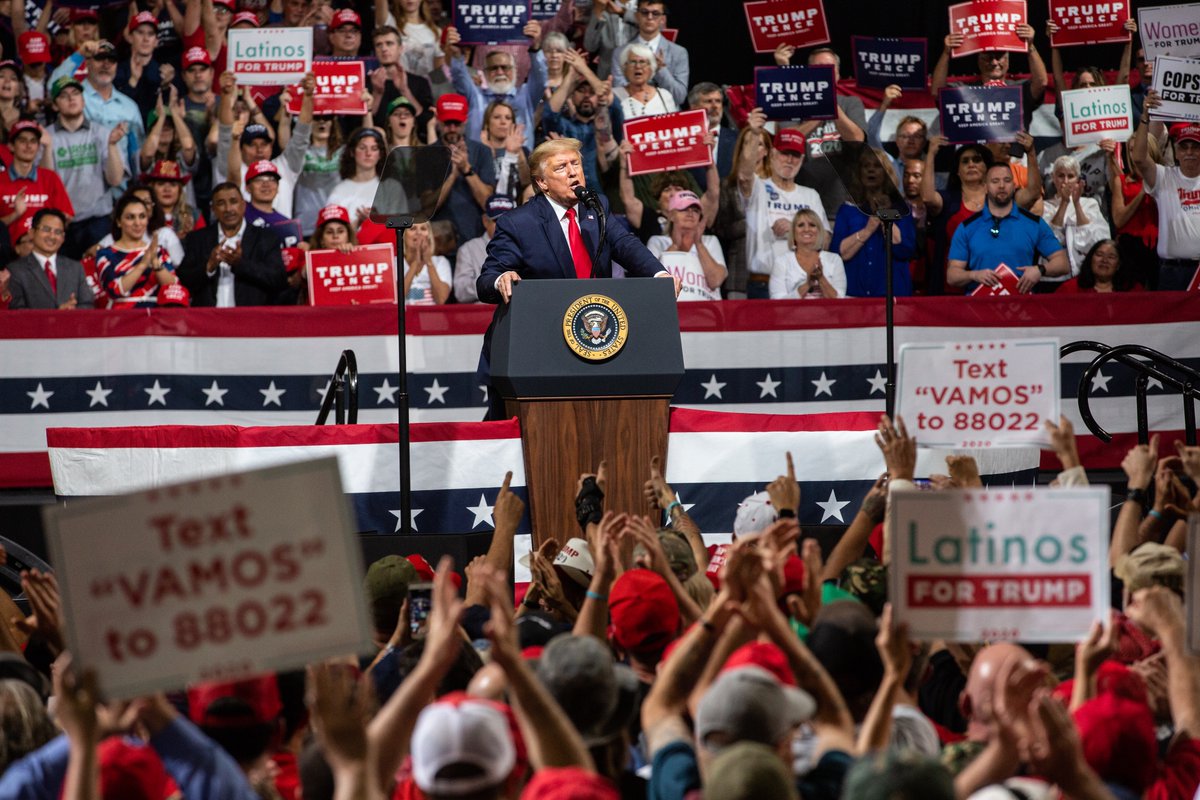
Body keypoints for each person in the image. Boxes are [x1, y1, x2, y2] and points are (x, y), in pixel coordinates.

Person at [738, 116, 829, 299]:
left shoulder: (810, 195)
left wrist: (796, 230)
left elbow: (825, 240)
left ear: (802, 159)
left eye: (795, 155)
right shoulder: (759, 187)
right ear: (772, 155)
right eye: (784, 153)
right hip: (763, 281)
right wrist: (754, 133)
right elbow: (744, 175)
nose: (789, 160)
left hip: (803, 281)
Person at [773, 45, 868, 220]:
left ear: (838, 75)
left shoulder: (851, 103)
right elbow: (787, 143)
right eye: (818, 68)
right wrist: (819, 111)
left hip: (842, 207)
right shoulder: (795, 105)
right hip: (801, 208)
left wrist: (829, 103)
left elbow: (857, 139)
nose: (824, 72)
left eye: (829, 68)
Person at [946, 162, 1068, 294]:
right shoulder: (967, 227)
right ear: (985, 187)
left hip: (1022, 307)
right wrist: (974, 275)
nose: (1002, 186)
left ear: (1014, 186)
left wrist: (1040, 270)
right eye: (995, 181)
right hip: (979, 307)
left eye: (1007, 180)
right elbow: (952, 275)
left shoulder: (1034, 224)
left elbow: (1062, 263)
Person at [46, 75, 127, 259]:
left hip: (98, 221)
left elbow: (115, 180)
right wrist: (46, 148)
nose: (71, 98)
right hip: (62, 224)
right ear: (55, 105)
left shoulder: (103, 133)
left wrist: (112, 145)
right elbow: (46, 182)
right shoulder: (46, 137)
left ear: (83, 101)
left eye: (75, 93)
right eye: (63, 95)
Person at [216, 70, 313, 220]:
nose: (259, 149)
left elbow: (302, 134)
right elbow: (224, 133)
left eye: (264, 144)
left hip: (283, 240)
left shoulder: (285, 167)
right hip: (246, 241)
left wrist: (307, 97)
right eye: (252, 145)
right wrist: (225, 95)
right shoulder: (233, 168)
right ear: (241, 148)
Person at [177, 181, 287, 307]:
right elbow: (184, 279)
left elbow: (278, 280)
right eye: (221, 203)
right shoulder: (198, 239)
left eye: (233, 201)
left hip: (249, 320)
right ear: (213, 209)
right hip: (207, 321)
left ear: (243, 205)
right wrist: (208, 266)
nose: (228, 209)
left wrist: (241, 264)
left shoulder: (266, 238)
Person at [445, 20, 546, 152]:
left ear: (514, 70)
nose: (499, 72)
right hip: (480, 167)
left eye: (505, 67)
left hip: (519, 166)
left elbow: (540, 77)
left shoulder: (526, 95)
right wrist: (457, 54)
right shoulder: (476, 97)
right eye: (493, 68)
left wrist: (536, 48)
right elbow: (459, 77)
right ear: (485, 72)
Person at [1132, 97, 1200, 290]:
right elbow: (1138, 158)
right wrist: (1145, 116)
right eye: (1184, 147)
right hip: (1172, 273)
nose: (1189, 152)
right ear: (1176, 152)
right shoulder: (1164, 177)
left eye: (1195, 147)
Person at [49, 40, 144, 177]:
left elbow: (136, 155)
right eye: (99, 58)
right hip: (81, 183)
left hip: (121, 188)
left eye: (111, 60)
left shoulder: (130, 107)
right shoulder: (75, 98)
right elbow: (53, 86)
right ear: (87, 63)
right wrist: (79, 54)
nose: (106, 64)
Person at [930, 23, 1047, 131]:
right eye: (988, 57)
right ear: (978, 61)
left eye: (1000, 56)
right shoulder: (965, 90)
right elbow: (937, 92)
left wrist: (1030, 46)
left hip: (1013, 152)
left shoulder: (1019, 89)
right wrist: (946, 53)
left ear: (1008, 59)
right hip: (976, 152)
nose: (994, 62)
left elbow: (1041, 82)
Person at [833, 147, 916, 298]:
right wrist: (867, 231)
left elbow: (905, 249)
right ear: (859, 173)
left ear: (886, 173)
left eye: (877, 166)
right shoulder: (848, 209)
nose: (871, 170)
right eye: (866, 166)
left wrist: (885, 216)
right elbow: (839, 254)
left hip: (892, 294)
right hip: (854, 293)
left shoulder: (902, 208)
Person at [429, 93, 496, 247]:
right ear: (438, 121)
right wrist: (453, 174)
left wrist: (466, 169)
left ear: (465, 121)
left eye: (456, 123)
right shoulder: (426, 155)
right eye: (447, 123)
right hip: (439, 243)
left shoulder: (482, 152)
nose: (452, 129)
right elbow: (427, 207)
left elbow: (487, 202)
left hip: (475, 240)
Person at [97, 193, 179, 308]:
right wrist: (143, 265)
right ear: (119, 222)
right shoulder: (106, 254)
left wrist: (156, 263)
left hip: (155, 317)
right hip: (121, 318)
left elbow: (173, 287)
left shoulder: (158, 251)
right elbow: (113, 290)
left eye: (142, 216)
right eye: (130, 217)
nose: (137, 223)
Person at [1040, 154, 1111, 286]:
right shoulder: (1044, 207)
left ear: (1078, 180)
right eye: (1061, 176)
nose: (1065, 181)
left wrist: (1077, 204)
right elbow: (1050, 240)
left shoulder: (1090, 204)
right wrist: (1064, 203)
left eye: (1070, 176)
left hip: (1081, 275)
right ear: (1053, 179)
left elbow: (1095, 243)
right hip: (1052, 279)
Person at [600, 0, 688, 105]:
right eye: (645, 12)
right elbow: (619, 94)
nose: (650, 17)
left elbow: (679, 97)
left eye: (655, 13)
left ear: (662, 19)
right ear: (637, 16)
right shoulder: (620, 53)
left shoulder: (678, 52)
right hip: (632, 114)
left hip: (666, 115)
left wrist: (661, 71)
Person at [647, 190, 727, 301]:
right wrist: (675, 246)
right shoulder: (657, 242)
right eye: (684, 209)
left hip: (707, 311)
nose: (690, 213)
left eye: (695, 210)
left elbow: (716, 281)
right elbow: (652, 282)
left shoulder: (710, 241)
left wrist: (699, 244)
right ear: (671, 215)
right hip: (670, 310)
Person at [0, 120, 75, 237]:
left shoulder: (51, 178)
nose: (28, 146)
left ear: (38, 146)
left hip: (43, 250)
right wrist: (16, 214)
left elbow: (67, 217)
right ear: (11, 146)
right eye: (22, 140)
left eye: (33, 141)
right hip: (6, 251)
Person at [6, 209, 93, 309]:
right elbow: (16, 312)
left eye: (58, 232)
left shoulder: (76, 268)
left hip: (72, 324)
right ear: (32, 233)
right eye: (46, 229)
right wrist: (56, 315)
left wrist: (71, 313)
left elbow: (87, 305)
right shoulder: (15, 270)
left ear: (63, 237)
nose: (52, 236)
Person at [769, 207, 846, 299]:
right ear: (793, 232)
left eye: (812, 225)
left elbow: (840, 302)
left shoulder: (834, 260)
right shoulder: (781, 262)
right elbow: (777, 303)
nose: (806, 229)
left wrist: (821, 278)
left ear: (819, 231)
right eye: (801, 225)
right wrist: (807, 284)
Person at [454, 194, 515, 303]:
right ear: (485, 221)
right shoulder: (468, 249)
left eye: (508, 219)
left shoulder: (523, 245)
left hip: (516, 309)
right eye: (497, 220)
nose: (503, 224)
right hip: (481, 313)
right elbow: (460, 292)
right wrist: (494, 282)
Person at [866, 85, 928, 186]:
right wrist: (884, 104)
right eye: (905, 136)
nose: (911, 140)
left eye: (917, 136)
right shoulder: (888, 164)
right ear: (896, 140)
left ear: (924, 141)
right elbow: (871, 135)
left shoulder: (930, 172)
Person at [326, 128, 386, 227]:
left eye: (374, 149)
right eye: (362, 148)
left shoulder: (391, 188)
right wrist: (359, 222)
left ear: (380, 154)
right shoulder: (339, 191)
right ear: (352, 152)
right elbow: (333, 232)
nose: (368, 153)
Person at [478, 100, 530, 199]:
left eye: (508, 118)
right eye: (497, 117)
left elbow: (527, 184)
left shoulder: (523, 151)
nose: (503, 122)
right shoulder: (478, 151)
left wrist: (518, 152)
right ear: (487, 123)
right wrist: (487, 153)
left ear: (513, 124)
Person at [612, 42, 676, 119]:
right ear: (625, 67)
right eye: (632, 62)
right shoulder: (613, 96)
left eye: (642, 62)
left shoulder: (665, 96)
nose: (638, 66)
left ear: (651, 68)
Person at [145, 159, 201, 239]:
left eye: (173, 184)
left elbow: (203, 246)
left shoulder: (194, 216)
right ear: (152, 188)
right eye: (161, 184)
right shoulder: (142, 215)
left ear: (180, 190)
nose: (167, 189)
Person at [1058, 239, 1141, 293]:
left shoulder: (1132, 290)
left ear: (1119, 265)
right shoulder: (1070, 289)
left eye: (1111, 257)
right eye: (1099, 255)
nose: (1104, 260)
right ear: (1090, 259)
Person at [401, 220, 451, 305]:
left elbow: (441, 299)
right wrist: (415, 264)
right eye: (413, 229)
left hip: (432, 317)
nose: (418, 233)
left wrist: (429, 262)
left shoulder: (441, 262)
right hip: (405, 317)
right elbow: (395, 298)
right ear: (404, 235)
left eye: (423, 229)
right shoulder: (394, 262)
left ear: (429, 236)